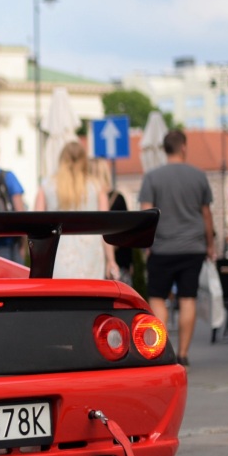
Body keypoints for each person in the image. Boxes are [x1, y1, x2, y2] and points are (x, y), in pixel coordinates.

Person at [138, 129, 215, 367]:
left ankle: (162, 350)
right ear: (183, 147)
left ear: (164, 149)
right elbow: (206, 214)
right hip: (193, 247)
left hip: (161, 247)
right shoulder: (199, 176)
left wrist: (144, 245)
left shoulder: (152, 177)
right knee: (187, 298)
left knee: (158, 298)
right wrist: (210, 244)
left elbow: (146, 213)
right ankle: (183, 354)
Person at [34, 141, 120, 280]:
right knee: (89, 298)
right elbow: (106, 227)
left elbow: (36, 225)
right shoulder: (96, 186)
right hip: (91, 254)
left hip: (57, 254)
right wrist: (111, 260)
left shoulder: (47, 186)